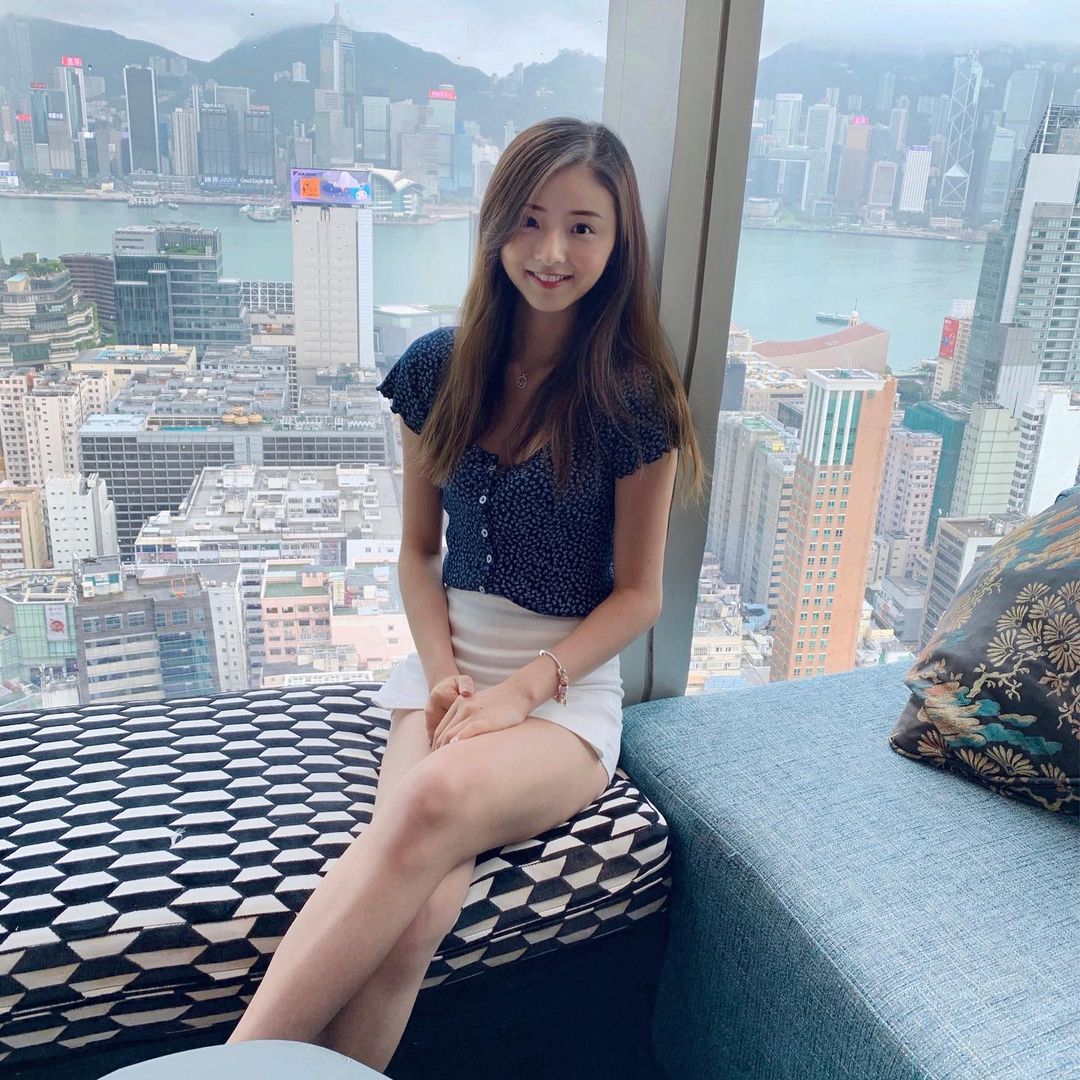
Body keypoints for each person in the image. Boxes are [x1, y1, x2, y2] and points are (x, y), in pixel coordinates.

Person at [228, 116, 705, 1070]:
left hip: (561, 701)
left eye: (582, 226)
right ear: (495, 227)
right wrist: (444, 675)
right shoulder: (437, 369)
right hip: (443, 675)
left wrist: (518, 694)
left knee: (431, 799)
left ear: (618, 245)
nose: (552, 251)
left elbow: (640, 595)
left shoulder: (632, 402)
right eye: (530, 220)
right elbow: (417, 555)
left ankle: (229, 1067)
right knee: (416, 917)